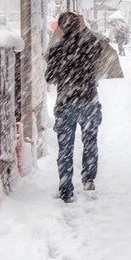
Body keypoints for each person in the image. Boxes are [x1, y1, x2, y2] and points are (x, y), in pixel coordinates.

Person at [45, 12, 105, 203]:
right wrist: (84, 29)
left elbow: (50, 78)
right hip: (88, 100)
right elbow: (101, 51)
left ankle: (66, 189)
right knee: (90, 141)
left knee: (65, 147)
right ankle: (88, 179)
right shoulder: (90, 45)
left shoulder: (57, 49)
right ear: (79, 25)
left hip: (65, 103)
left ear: (61, 27)